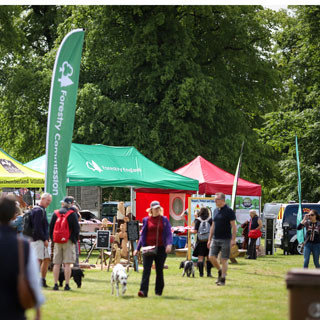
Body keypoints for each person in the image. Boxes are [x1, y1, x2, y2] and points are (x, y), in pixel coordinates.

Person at [0, 196, 44, 320]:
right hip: (14, 308)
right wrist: (38, 307)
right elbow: (33, 279)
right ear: (14, 215)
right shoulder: (23, 245)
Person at [134, 200, 173, 297]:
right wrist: (137, 248)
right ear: (151, 210)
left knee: (159, 270)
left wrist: (169, 244)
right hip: (148, 248)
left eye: (158, 208)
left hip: (161, 249)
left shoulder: (164, 220)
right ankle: (143, 291)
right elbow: (143, 235)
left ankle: (158, 291)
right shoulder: (146, 220)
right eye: (155, 208)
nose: (157, 210)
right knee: (146, 270)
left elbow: (168, 233)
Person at [49, 196, 80, 291]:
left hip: (58, 241)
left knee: (56, 264)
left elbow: (51, 228)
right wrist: (73, 240)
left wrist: (53, 239)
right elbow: (76, 229)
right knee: (67, 264)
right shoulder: (72, 214)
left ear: (63, 203)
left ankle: (55, 284)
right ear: (71, 204)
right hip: (68, 241)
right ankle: (67, 284)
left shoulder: (56, 213)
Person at [207, 192, 237, 286]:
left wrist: (233, 239)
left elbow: (234, 226)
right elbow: (213, 225)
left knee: (224, 259)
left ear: (223, 200)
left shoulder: (229, 211)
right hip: (215, 239)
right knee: (211, 257)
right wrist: (209, 239)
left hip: (226, 239)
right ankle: (220, 271)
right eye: (215, 199)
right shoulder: (215, 210)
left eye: (217, 199)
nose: (215, 201)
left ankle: (223, 278)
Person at [31, 192, 52, 288]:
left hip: (42, 239)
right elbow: (37, 227)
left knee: (46, 259)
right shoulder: (38, 211)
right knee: (37, 259)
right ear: (42, 199)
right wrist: (44, 239)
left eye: (50, 201)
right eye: (48, 201)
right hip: (38, 239)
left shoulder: (42, 210)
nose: (49, 203)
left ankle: (42, 280)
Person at [191, 207, 213, 277]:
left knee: (200, 257)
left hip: (200, 241)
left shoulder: (198, 220)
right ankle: (209, 273)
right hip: (208, 241)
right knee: (209, 257)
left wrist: (190, 231)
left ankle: (201, 274)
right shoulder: (210, 220)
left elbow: (195, 231)